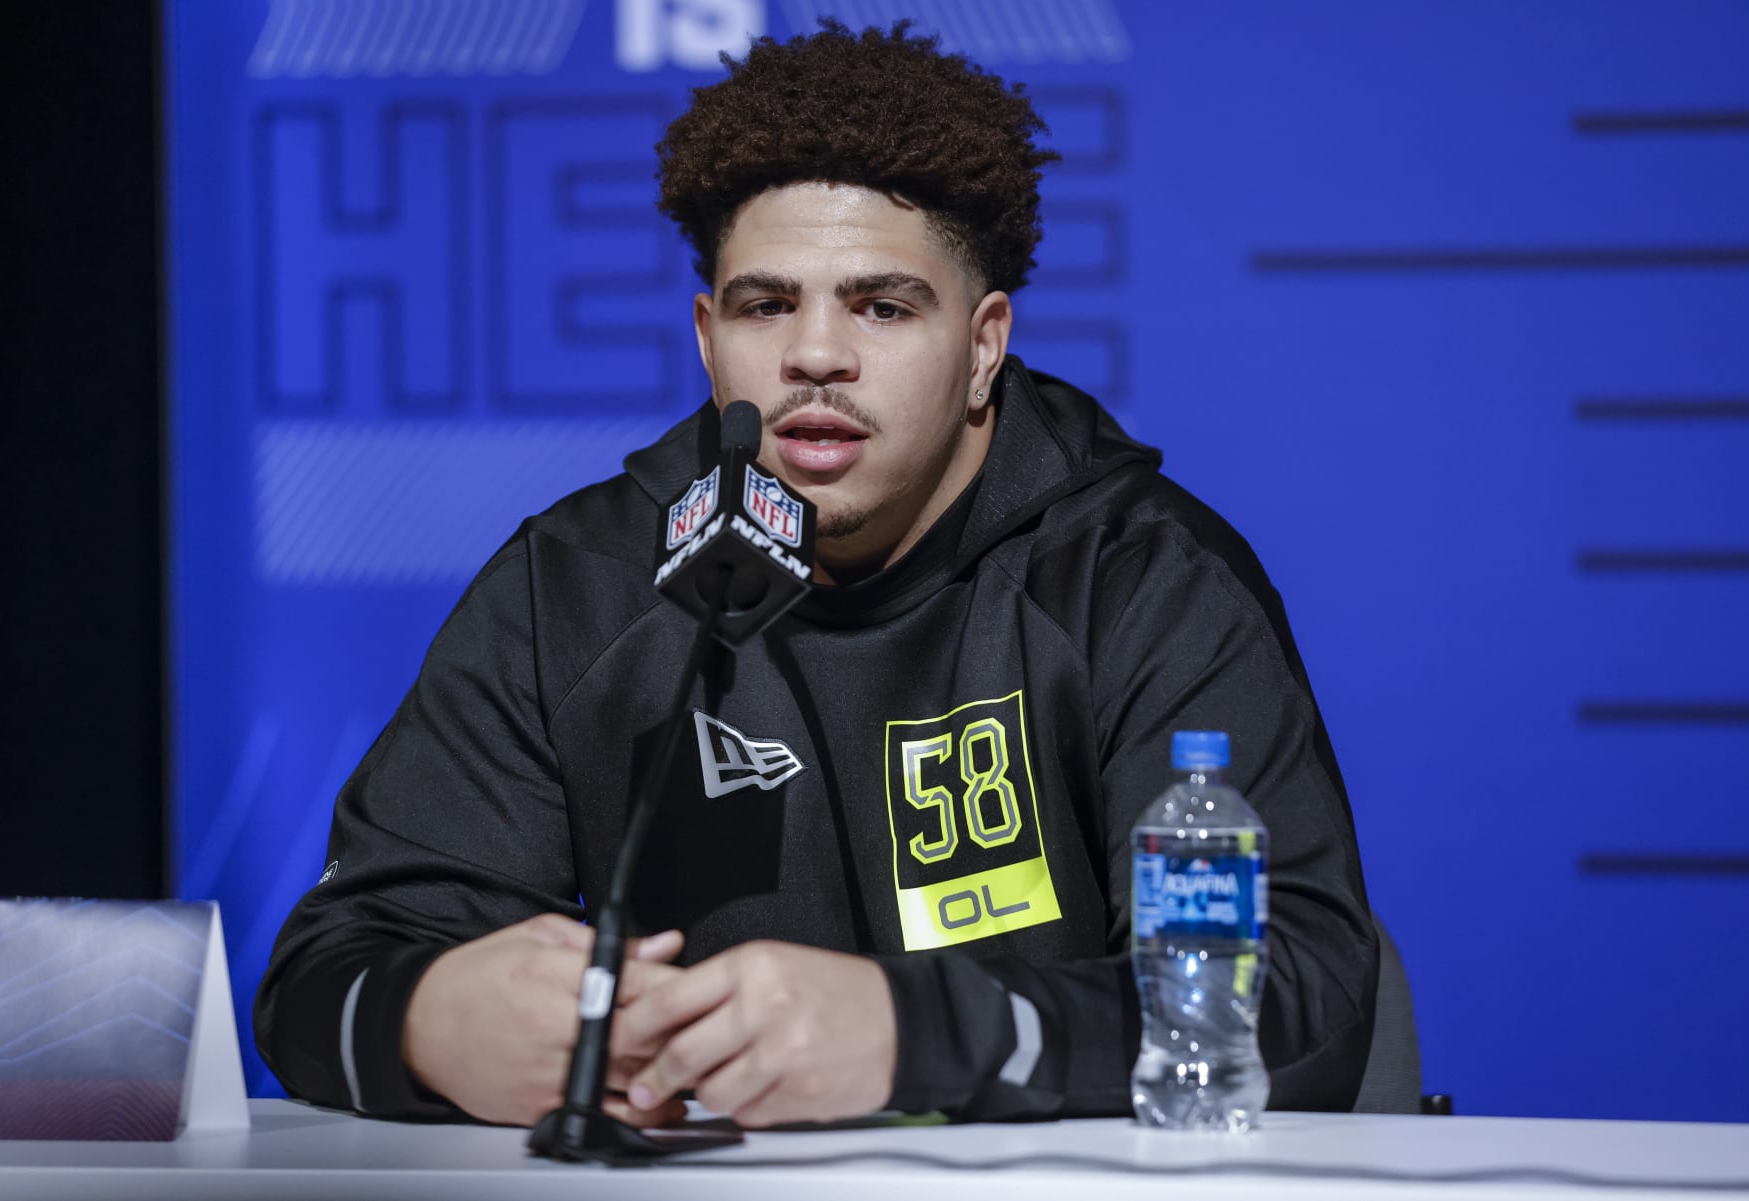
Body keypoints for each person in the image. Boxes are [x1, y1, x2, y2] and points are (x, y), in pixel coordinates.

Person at [255, 20, 1376, 1131]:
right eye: (766, 304)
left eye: (883, 307)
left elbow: (1300, 999)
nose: (816, 355)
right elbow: (323, 972)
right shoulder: (580, 585)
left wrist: (914, 1036)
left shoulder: (1136, 578)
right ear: (707, 336)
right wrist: (429, 1019)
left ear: (985, 345)